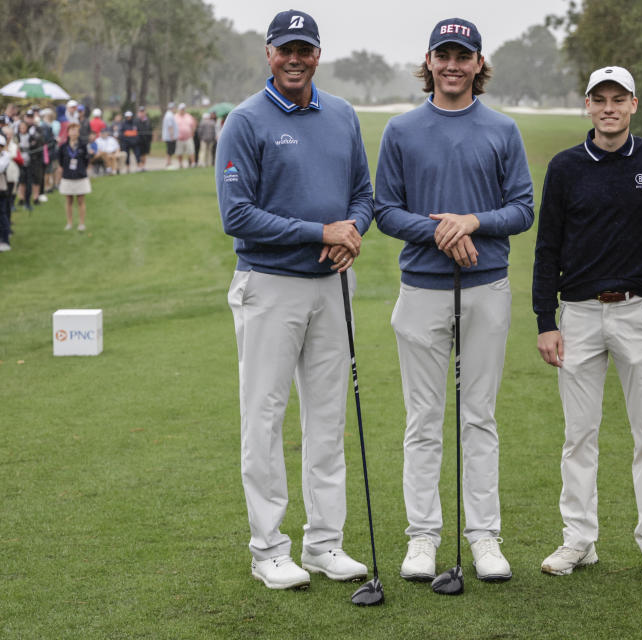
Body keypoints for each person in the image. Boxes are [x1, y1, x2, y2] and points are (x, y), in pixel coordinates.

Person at [216, 8, 374, 591]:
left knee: (327, 418)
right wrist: (320, 232)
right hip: (269, 285)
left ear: (317, 54)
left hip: (332, 285)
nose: (295, 58)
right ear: (269, 52)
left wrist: (351, 231)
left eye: (304, 49)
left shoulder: (341, 114)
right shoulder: (245, 120)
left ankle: (325, 543)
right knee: (263, 416)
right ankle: (267, 548)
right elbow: (237, 215)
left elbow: (362, 193)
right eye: (286, 49)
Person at [374, 17, 534, 584]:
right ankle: (422, 538)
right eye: (443, 55)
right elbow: (384, 210)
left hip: (487, 287)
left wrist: (472, 221)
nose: (452, 65)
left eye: (463, 56)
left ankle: (484, 536)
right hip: (421, 290)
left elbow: (522, 208)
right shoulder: (401, 129)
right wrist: (439, 232)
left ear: (477, 64)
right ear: (429, 62)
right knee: (422, 420)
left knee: (479, 417)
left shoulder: (502, 129)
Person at [532, 66, 642, 581]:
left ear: (634, 104)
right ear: (588, 106)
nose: (610, 107)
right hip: (578, 315)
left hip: (638, 311)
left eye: (619, 98)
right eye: (601, 99)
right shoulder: (566, 166)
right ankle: (579, 540)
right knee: (579, 435)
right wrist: (544, 319)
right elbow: (547, 246)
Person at [58, 122, 91, 231]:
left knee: (81, 201)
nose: (73, 132)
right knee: (69, 201)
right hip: (67, 177)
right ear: (67, 132)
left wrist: (81, 169)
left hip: (80, 176)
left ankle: (81, 223)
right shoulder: (63, 147)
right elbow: (61, 162)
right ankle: (69, 223)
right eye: (71, 130)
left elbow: (86, 161)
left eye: (75, 130)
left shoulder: (83, 145)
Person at [174, 103, 196, 168]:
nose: (182, 110)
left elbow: (193, 124)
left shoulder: (188, 116)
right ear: (179, 109)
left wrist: (192, 132)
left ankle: (193, 163)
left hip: (188, 137)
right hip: (179, 138)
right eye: (181, 109)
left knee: (191, 151)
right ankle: (180, 164)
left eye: (183, 109)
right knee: (179, 152)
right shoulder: (175, 117)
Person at [161, 102, 177, 168]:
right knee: (170, 150)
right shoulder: (169, 115)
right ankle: (169, 162)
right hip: (170, 137)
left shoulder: (169, 114)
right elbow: (170, 126)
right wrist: (172, 135)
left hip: (169, 136)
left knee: (170, 150)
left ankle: (169, 162)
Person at [136, 106, 152, 171]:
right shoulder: (136, 121)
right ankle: (140, 166)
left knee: (144, 154)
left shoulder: (147, 120)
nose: (142, 113)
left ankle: (143, 166)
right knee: (139, 154)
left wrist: (150, 139)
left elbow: (150, 130)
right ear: (138, 113)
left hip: (146, 141)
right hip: (138, 141)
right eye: (141, 112)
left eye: (143, 112)